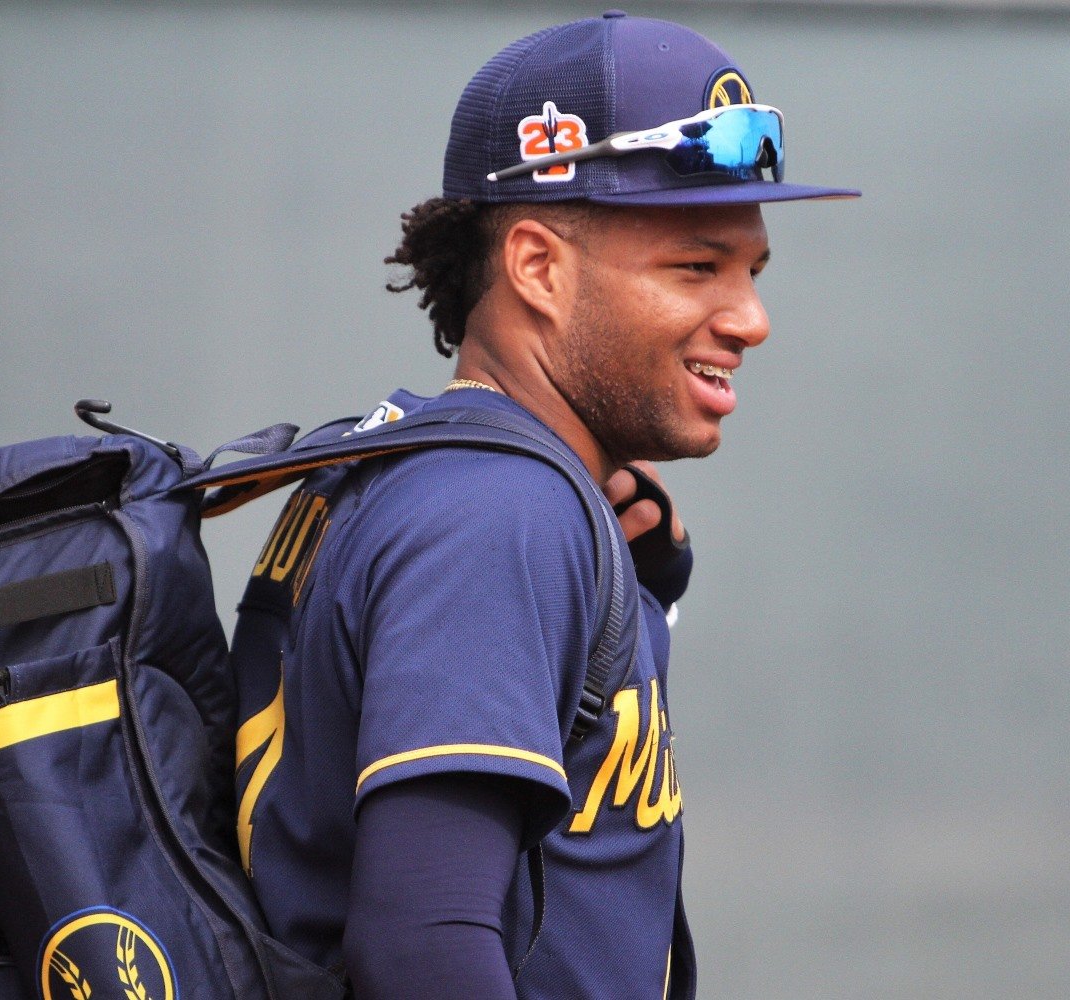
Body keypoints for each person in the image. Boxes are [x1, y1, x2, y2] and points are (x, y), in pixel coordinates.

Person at [229, 12, 857, 999]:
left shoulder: (421, 463)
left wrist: (639, 594)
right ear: (537, 266)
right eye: (697, 266)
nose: (751, 319)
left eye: (752, 270)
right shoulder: (498, 516)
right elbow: (422, 948)